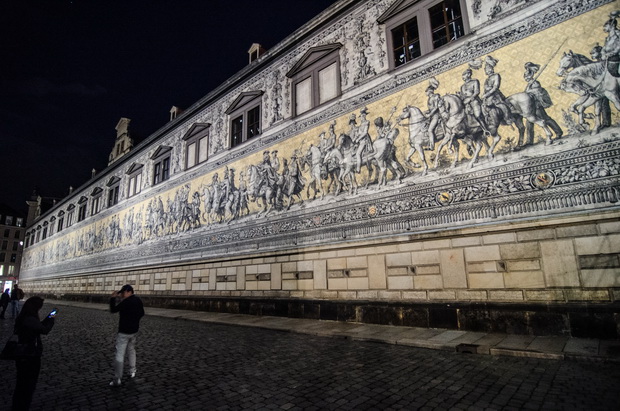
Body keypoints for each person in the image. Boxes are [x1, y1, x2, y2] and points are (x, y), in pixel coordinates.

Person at [11, 296, 55, 411]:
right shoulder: (29, 319)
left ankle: (18, 406)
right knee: (27, 386)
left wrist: (48, 318)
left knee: (22, 384)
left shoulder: (25, 317)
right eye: (38, 307)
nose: (39, 310)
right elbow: (44, 330)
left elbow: (39, 326)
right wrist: (52, 318)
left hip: (25, 355)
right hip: (29, 356)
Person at [109, 284, 144, 387]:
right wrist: (135, 320)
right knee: (131, 350)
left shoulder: (126, 302)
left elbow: (113, 310)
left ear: (129, 291)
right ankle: (132, 371)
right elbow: (142, 313)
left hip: (124, 332)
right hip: (134, 331)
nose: (122, 294)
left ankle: (117, 378)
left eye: (123, 292)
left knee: (120, 354)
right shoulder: (138, 300)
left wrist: (112, 298)